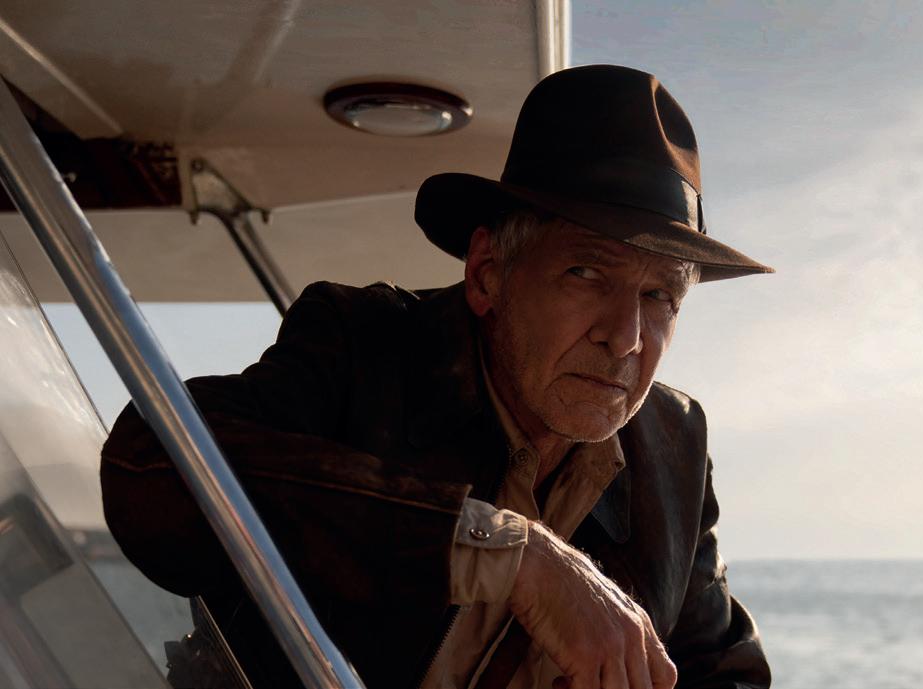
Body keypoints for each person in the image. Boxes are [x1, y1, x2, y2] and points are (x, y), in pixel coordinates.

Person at [101, 64, 774, 689]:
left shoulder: (674, 446)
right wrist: (509, 555)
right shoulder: (363, 346)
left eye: (660, 295)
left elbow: (726, 672)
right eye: (587, 272)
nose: (626, 337)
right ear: (487, 273)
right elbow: (149, 459)